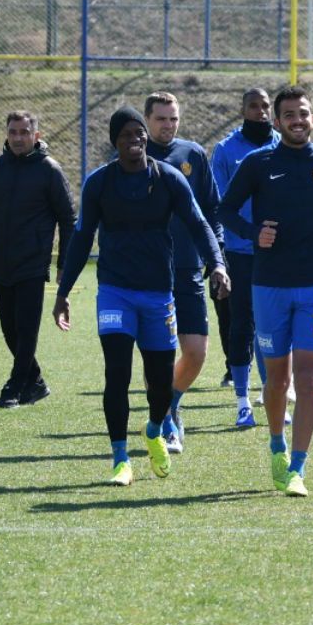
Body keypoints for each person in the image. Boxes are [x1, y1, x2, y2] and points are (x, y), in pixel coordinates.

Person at [53, 107, 227, 486]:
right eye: (128, 135)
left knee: (160, 380)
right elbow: (82, 238)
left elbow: (198, 224)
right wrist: (62, 292)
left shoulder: (167, 179)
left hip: (158, 293)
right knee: (117, 372)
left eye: (140, 135)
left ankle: (153, 430)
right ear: (115, 142)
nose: (136, 141)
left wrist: (217, 263)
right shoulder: (99, 183)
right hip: (115, 291)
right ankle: (120, 459)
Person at [215, 84, 313, 498]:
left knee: (307, 381)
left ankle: (297, 468)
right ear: (276, 122)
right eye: (289, 115)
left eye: (304, 113)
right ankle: (276, 443)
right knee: (276, 380)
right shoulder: (259, 162)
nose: (297, 120)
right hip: (270, 285)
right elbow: (223, 209)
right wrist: (254, 233)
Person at [0, 110, 76, 408]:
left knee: (26, 327)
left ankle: (14, 385)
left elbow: (67, 218)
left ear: (35, 136)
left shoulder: (49, 170)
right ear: (7, 134)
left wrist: (65, 263)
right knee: (9, 327)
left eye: (24, 132)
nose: (18, 138)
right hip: (0, 262)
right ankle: (35, 382)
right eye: (13, 132)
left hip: (33, 263)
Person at [142, 92, 220, 454]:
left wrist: (216, 257)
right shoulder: (132, 157)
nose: (167, 125)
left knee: (196, 352)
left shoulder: (193, 155)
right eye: (160, 119)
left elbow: (210, 211)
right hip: (147, 273)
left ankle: (171, 400)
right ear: (147, 120)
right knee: (158, 352)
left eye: (173, 119)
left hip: (188, 268)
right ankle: (166, 423)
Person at [209, 87, 277, 428]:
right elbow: (219, 205)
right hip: (239, 250)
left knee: (273, 326)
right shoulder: (225, 150)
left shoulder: (281, 144)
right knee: (241, 325)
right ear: (243, 110)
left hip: (278, 253)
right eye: (254, 106)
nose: (260, 111)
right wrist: (220, 253)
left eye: (265, 106)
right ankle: (241, 400)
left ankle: (272, 393)